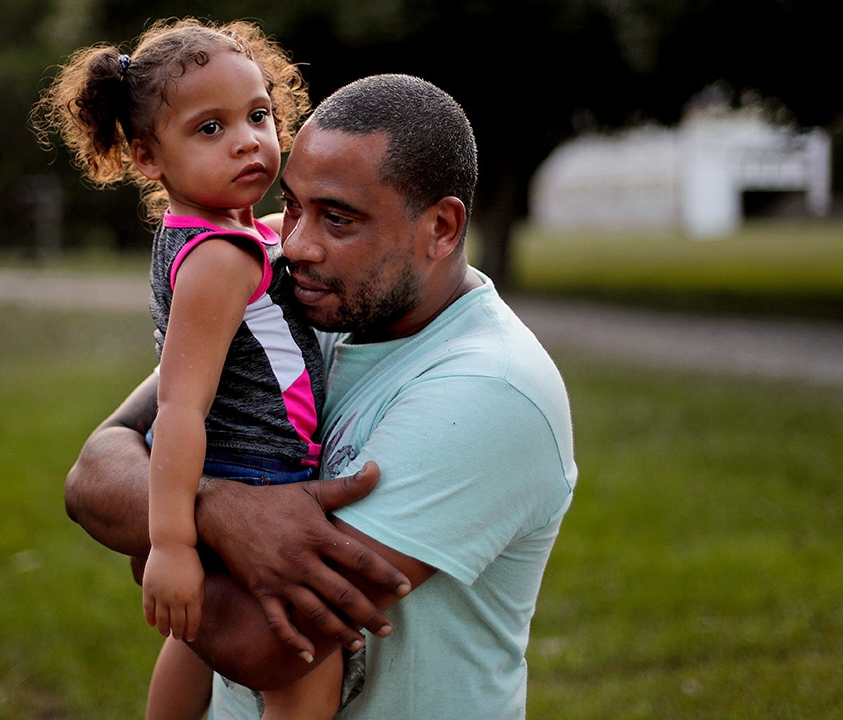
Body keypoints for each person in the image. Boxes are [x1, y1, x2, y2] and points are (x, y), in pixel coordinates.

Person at [64, 73, 577, 718]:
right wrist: (217, 512)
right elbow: (95, 470)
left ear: (442, 228)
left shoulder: (490, 389)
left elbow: (271, 643)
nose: (298, 244)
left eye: (338, 218)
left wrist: (157, 546)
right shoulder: (297, 298)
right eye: (295, 207)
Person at [36, 18, 344, 720]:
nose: (246, 139)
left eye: (258, 115)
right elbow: (177, 407)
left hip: (247, 465)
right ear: (148, 157)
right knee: (306, 667)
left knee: (193, 637)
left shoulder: (218, 234)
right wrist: (171, 542)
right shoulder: (218, 260)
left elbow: (267, 241)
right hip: (259, 473)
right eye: (210, 129)